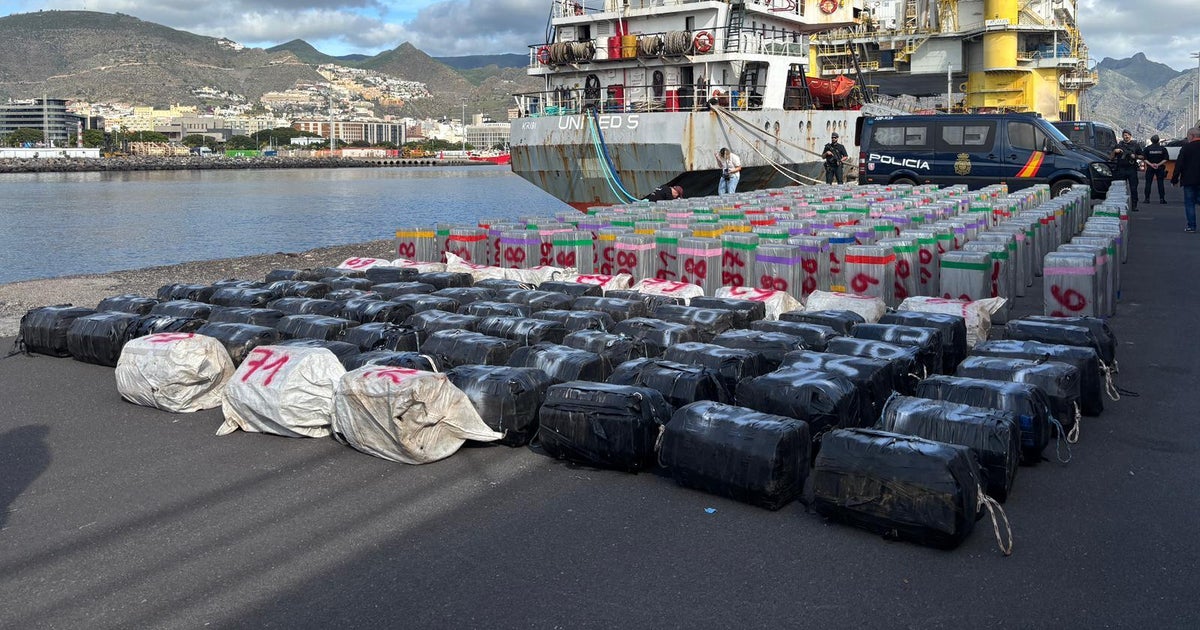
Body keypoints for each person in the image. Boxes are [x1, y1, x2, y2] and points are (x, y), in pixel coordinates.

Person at [1170, 127, 1200, 233]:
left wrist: (1174, 179)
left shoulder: (1186, 148)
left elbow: (1179, 165)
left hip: (1189, 180)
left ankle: (1191, 226)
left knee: (1190, 203)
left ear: (1191, 136)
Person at [1111, 129, 1143, 211]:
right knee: (1120, 189)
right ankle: (1120, 206)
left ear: (1130, 136)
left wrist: (1135, 156)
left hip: (1132, 169)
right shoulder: (1119, 145)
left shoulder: (1135, 145)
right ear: (1122, 136)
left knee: (1133, 188)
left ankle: (1134, 205)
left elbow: (1143, 156)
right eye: (1125, 135)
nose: (1126, 136)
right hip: (1121, 169)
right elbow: (1111, 158)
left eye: (1128, 135)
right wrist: (1115, 151)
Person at [1142, 134, 1169, 204]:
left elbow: (1144, 159)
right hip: (1160, 168)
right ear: (1158, 140)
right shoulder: (1163, 149)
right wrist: (1158, 164)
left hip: (1150, 168)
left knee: (1148, 183)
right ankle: (1162, 199)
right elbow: (1166, 159)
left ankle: (1147, 199)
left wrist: (1151, 164)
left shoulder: (1147, 149)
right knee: (1160, 183)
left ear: (1151, 141)